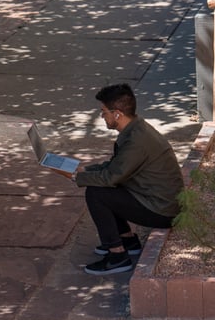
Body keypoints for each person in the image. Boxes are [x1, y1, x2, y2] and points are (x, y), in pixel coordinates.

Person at [60, 84, 184, 275]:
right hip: (155, 199)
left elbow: (111, 177)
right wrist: (84, 169)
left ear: (117, 113)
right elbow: (117, 166)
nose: (102, 116)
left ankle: (117, 256)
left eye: (104, 112)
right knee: (103, 187)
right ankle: (127, 241)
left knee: (96, 193)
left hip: (162, 210)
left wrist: (77, 176)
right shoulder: (136, 128)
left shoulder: (136, 141)